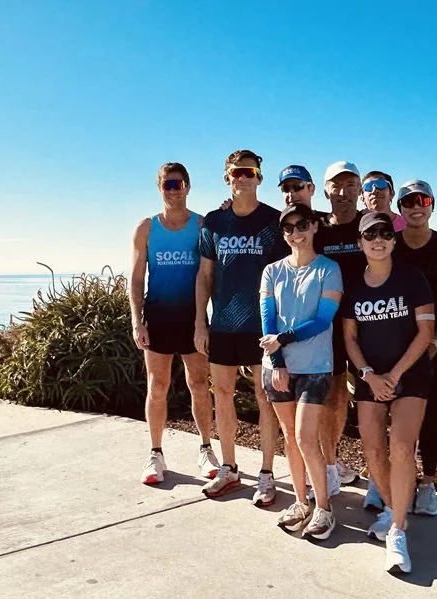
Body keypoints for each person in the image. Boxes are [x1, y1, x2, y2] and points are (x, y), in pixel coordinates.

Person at [342, 211, 435, 574]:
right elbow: (349, 337)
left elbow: (425, 333)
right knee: (372, 447)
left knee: (400, 445)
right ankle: (393, 505)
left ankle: (398, 529)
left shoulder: (412, 278)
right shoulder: (353, 284)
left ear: (393, 240)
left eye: (384, 233)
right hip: (370, 377)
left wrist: (393, 376)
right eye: (370, 235)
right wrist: (368, 374)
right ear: (361, 242)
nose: (377, 239)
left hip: (409, 377)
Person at [195, 149, 286, 505]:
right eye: (237, 173)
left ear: (259, 178)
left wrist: (280, 329)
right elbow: (204, 275)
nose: (243, 178)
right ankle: (229, 467)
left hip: (262, 326)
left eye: (249, 172)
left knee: (266, 399)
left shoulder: (273, 222)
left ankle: (266, 474)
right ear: (227, 178)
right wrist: (200, 323)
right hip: (222, 327)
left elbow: (283, 275)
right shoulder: (214, 223)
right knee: (223, 395)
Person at [129, 162, 220, 484]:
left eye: (178, 183)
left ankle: (206, 449)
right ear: (159, 188)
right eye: (168, 184)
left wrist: (202, 322)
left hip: (193, 318)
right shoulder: (146, 228)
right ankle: (155, 454)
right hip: (157, 318)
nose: (174, 189)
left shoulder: (202, 225)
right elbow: (137, 278)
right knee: (158, 386)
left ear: (188, 186)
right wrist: (136, 321)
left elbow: (209, 275)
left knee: (199, 384)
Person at [259, 203, 343, 540]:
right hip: (277, 367)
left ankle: (324, 507)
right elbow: (268, 317)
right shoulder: (271, 271)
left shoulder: (329, 270)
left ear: (314, 226)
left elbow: (323, 319)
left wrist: (283, 340)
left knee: (307, 437)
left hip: (315, 367)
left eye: (302, 224)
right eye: (289, 228)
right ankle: (300, 501)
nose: (296, 233)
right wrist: (277, 360)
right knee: (290, 437)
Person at [393, 180, 437, 516]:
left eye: (423, 200)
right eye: (408, 202)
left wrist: (435, 338)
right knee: (389, 412)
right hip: (392, 342)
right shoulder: (390, 240)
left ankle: (428, 483)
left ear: (432, 204)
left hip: (436, 344)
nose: (415, 206)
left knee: (429, 415)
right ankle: (388, 478)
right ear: (401, 208)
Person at [311, 161, 367, 498]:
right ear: (326, 189)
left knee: (370, 399)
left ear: (360, 189)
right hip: (328, 327)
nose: (343, 192)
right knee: (332, 397)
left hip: (370, 325)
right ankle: (331, 466)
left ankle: (377, 471)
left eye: (350, 185)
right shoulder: (318, 228)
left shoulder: (373, 224)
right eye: (337, 185)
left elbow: (405, 226)